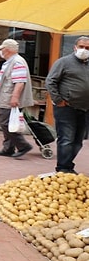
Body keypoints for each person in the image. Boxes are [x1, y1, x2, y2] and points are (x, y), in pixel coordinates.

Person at [46, 36, 89, 174]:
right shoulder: (63, 62)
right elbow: (50, 81)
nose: (84, 50)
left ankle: (68, 164)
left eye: (87, 48)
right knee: (66, 139)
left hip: (85, 108)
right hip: (66, 108)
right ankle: (63, 168)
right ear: (75, 47)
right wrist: (58, 100)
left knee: (78, 141)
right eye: (81, 46)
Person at [0, 38, 35, 158]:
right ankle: (8, 148)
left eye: (2, 49)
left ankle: (23, 145)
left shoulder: (16, 62)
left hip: (9, 98)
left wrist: (14, 98)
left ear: (7, 50)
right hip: (6, 96)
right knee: (8, 123)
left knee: (5, 123)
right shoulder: (12, 61)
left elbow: (20, 82)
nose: (1, 52)